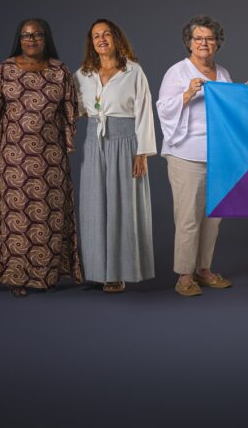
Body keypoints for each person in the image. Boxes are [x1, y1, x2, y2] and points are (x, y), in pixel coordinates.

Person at [0, 19, 83, 296]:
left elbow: (70, 113)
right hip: (14, 159)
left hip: (51, 158)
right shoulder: (4, 70)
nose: (31, 39)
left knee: (48, 216)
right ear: (18, 39)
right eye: (25, 35)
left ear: (46, 38)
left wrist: (65, 144)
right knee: (16, 218)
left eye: (37, 35)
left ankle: (45, 275)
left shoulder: (61, 71)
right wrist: (0, 147)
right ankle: (16, 277)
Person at [75, 19, 156, 294]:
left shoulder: (133, 71)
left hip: (125, 141)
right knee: (94, 203)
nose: (101, 39)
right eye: (96, 35)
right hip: (94, 141)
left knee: (123, 204)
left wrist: (142, 152)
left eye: (106, 34)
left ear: (116, 38)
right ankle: (98, 270)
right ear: (91, 43)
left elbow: (145, 111)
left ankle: (119, 272)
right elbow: (72, 108)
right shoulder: (83, 74)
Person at [157, 16, 234, 297]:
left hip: (218, 156)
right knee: (189, 217)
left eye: (210, 38)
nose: (204, 43)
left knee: (213, 218)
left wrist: (246, 93)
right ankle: (184, 275)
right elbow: (163, 109)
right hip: (186, 154)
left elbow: (232, 110)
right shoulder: (177, 72)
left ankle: (204, 270)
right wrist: (187, 94)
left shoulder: (223, 73)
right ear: (189, 43)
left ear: (217, 43)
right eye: (198, 38)